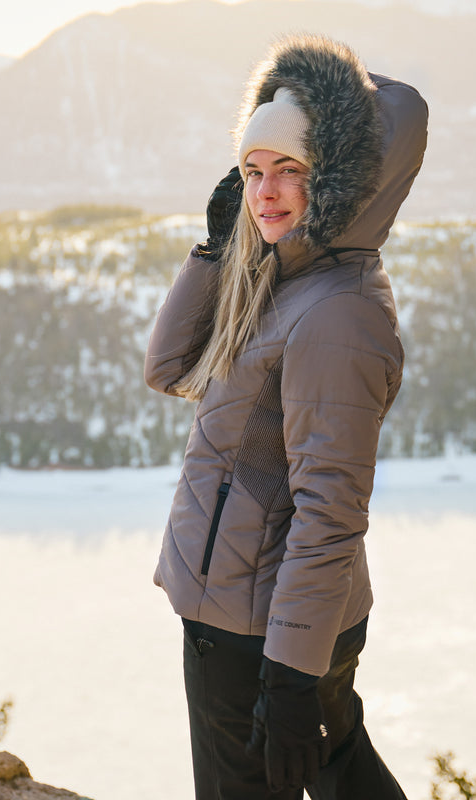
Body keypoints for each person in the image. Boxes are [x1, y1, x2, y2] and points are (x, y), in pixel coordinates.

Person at [144, 33, 428, 800]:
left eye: (290, 171)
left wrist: (290, 676)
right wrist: (213, 250)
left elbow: (329, 509)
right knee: (343, 773)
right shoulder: (287, 278)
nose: (265, 192)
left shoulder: (334, 312)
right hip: (273, 610)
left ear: (332, 178)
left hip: (257, 631)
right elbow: (170, 369)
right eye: (253, 171)